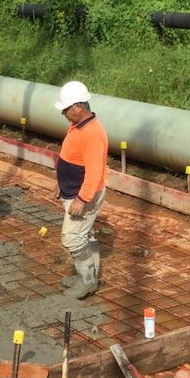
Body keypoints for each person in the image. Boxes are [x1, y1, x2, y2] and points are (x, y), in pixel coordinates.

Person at [53, 81, 108, 299]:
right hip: (72, 190)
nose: (64, 114)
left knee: (72, 238)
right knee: (85, 234)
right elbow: (70, 155)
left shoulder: (94, 133)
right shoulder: (78, 125)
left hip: (83, 195)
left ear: (78, 107)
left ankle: (86, 281)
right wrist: (60, 180)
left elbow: (94, 173)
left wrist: (82, 199)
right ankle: (90, 278)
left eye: (66, 110)